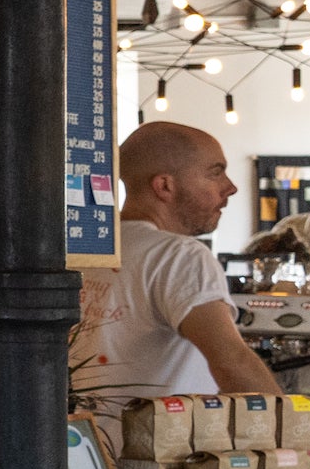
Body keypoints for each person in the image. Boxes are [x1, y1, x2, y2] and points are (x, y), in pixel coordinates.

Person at [79, 121, 283, 403]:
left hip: (85, 431)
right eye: (216, 173)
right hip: (158, 433)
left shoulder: (85, 248)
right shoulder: (180, 255)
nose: (231, 188)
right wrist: (293, 426)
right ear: (165, 186)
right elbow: (233, 364)